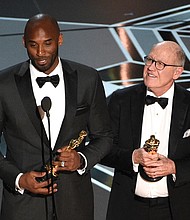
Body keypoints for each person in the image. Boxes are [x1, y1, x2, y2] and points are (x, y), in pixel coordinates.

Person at [0, 14, 112, 220]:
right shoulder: (4, 84)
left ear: (60, 39)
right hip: (23, 206)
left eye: (48, 43)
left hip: (74, 205)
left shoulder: (88, 78)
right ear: (24, 42)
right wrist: (18, 179)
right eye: (33, 45)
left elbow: (104, 136)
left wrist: (82, 159)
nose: (41, 52)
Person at [101, 41, 190, 220]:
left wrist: (174, 167)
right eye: (149, 60)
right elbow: (103, 149)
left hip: (177, 209)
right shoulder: (121, 100)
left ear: (177, 72)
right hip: (128, 207)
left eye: (160, 64)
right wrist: (133, 157)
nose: (150, 68)